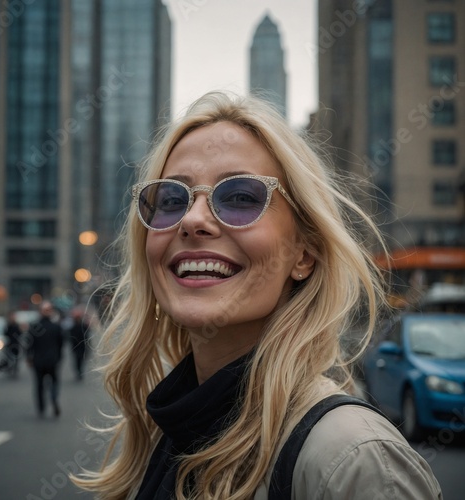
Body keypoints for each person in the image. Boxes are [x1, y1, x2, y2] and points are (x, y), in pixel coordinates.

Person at [74, 92, 442, 499]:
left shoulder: (355, 460)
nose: (193, 219)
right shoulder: (168, 430)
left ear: (303, 254)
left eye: (240, 197)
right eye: (172, 199)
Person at [26, 301, 64, 418]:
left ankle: (41, 408)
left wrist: (29, 358)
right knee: (54, 383)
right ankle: (53, 398)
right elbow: (61, 344)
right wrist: (58, 358)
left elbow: (29, 344)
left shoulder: (34, 327)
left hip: (39, 361)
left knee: (39, 386)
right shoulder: (56, 327)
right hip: (52, 360)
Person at [68, 309, 91, 380]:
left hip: (82, 346)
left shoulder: (83, 326)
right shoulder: (73, 327)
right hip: (76, 346)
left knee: (81, 360)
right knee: (77, 360)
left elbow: (87, 336)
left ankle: (80, 371)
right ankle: (79, 372)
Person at [4, 311, 23, 377]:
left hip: (16, 344)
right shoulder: (8, 325)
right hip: (10, 344)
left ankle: (15, 369)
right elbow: (5, 333)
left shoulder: (17, 325)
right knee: (9, 357)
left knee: (16, 358)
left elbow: (20, 333)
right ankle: (10, 368)